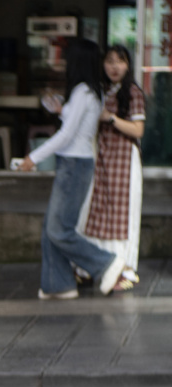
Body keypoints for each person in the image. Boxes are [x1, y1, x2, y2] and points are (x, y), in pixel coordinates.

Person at [19, 38, 125, 299]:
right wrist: (62, 110)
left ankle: (106, 263)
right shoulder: (92, 91)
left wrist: (33, 157)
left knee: (58, 229)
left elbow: (67, 135)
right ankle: (58, 284)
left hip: (74, 164)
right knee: (52, 227)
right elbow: (77, 125)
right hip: (75, 163)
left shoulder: (83, 92)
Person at [81, 45, 146, 292]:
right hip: (103, 158)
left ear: (128, 65)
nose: (114, 66)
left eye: (120, 61)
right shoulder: (102, 90)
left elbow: (138, 130)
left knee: (123, 215)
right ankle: (96, 267)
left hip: (124, 161)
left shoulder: (132, 92)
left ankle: (126, 269)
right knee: (98, 211)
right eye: (110, 61)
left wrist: (110, 118)